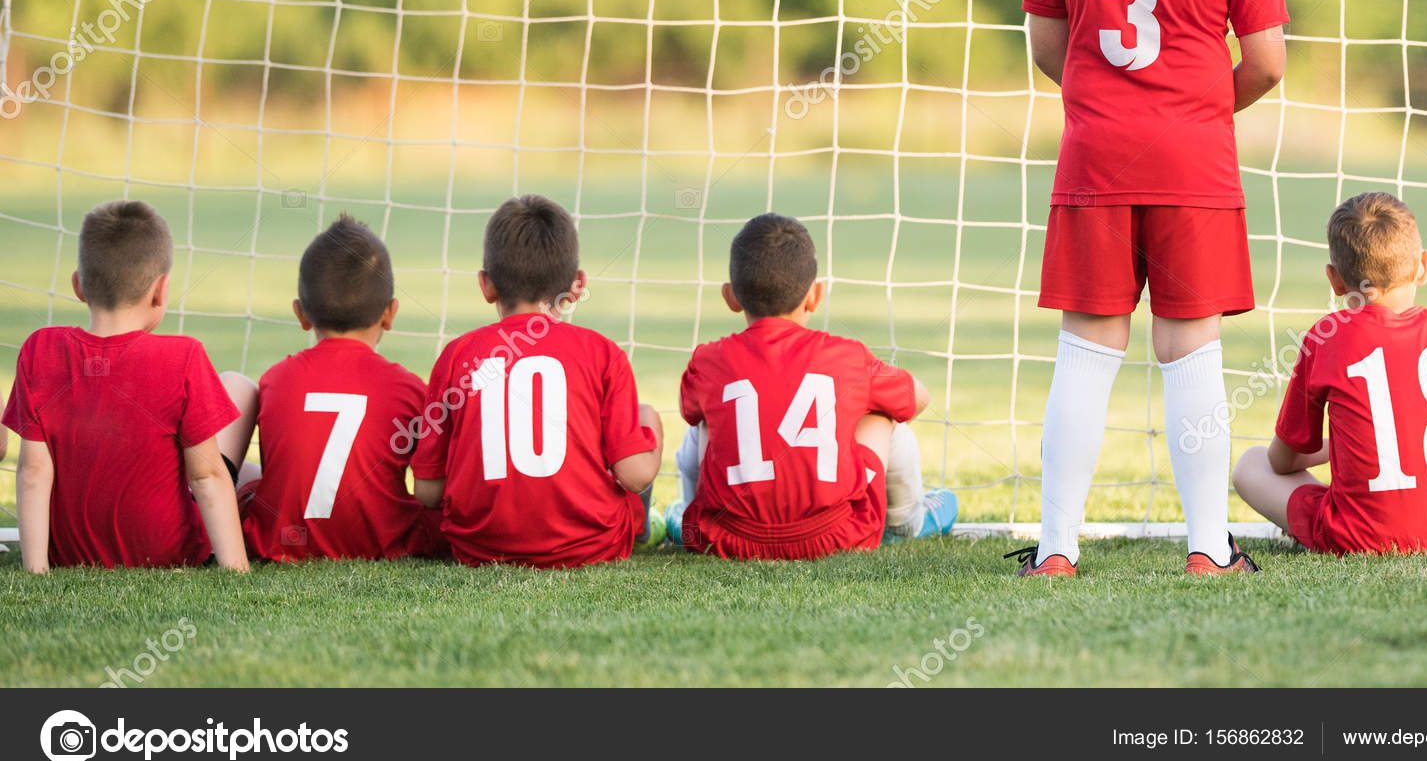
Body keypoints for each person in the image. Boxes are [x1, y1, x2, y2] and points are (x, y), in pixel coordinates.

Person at [1015, 0, 1288, 577]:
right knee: (1191, 350)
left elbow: (1045, 44)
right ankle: (1208, 548)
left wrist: (1109, 100)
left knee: (1086, 351)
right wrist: (1200, 106)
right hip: (1193, 167)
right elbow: (1270, 61)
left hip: (1097, 159)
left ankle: (1057, 549)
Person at [1233, 192, 1427, 554]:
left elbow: (1281, 461)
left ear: (1335, 280)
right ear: (1423, 265)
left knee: (1250, 466)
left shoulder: (1325, 338)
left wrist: (1342, 449)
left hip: (1356, 538)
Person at [670, 213, 956, 560]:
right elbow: (918, 398)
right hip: (836, 535)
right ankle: (906, 520)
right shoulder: (846, 356)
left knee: (703, 419)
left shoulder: (708, 360)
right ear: (815, 296)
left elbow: (689, 412)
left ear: (730, 297)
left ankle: (686, 517)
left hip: (728, 537)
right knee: (883, 413)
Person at [2, 200, 255, 572]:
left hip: (69, 555)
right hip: (172, 553)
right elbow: (206, 475)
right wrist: (237, 569)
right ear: (161, 291)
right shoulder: (184, 356)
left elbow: (33, 472)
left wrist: (37, 571)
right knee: (249, 470)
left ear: (78, 285)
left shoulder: (39, 350)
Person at [412, 195, 664, 567]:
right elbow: (635, 475)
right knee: (644, 416)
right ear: (577, 284)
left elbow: (427, 493)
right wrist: (652, 427)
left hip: (478, 550)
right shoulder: (604, 353)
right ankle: (645, 530)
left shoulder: (457, 356)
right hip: (588, 546)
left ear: (486, 285)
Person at [238, 216, 442, 561]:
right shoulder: (409, 389)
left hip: (281, 540)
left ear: (301, 314)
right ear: (390, 314)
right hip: (380, 542)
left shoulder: (276, 379)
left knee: (245, 476)